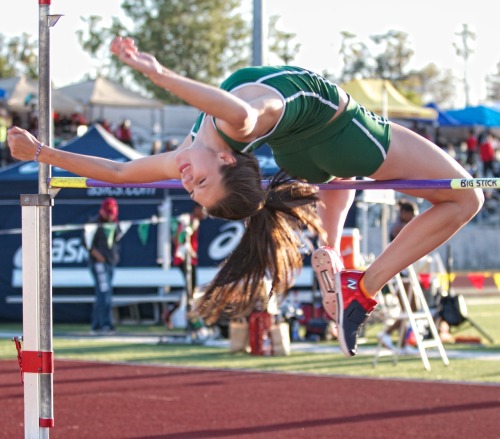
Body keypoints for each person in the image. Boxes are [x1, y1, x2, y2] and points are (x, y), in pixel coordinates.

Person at [7, 37, 484, 357]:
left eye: (191, 188)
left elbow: (117, 171)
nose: (188, 180)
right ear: (229, 162)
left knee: (337, 184)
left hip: (309, 159)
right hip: (344, 133)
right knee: (466, 198)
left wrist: (43, 151)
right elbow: (234, 108)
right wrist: (158, 74)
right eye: (200, 183)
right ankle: (364, 284)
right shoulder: (237, 126)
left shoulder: (189, 154)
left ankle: (334, 253)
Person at [377, 198, 419, 353]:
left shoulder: (403, 225)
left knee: (411, 308)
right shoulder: (398, 227)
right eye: (413, 214)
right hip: (399, 273)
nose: (415, 218)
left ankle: (403, 343)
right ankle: (386, 334)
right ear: (404, 213)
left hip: (404, 270)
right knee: (409, 308)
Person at [86, 197, 123, 335]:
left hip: (110, 263)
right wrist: (97, 256)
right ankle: (100, 325)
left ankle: (104, 324)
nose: (110, 215)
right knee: (103, 294)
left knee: (106, 294)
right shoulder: (94, 223)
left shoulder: (115, 224)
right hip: (99, 263)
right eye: (108, 213)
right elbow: (86, 243)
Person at [170, 203, 207, 325]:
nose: (204, 212)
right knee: (190, 290)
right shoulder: (187, 221)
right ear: (196, 209)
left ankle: (172, 312)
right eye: (202, 209)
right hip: (183, 259)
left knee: (191, 289)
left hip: (190, 259)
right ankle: (189, 320)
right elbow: (177, 239)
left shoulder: (194, 221)